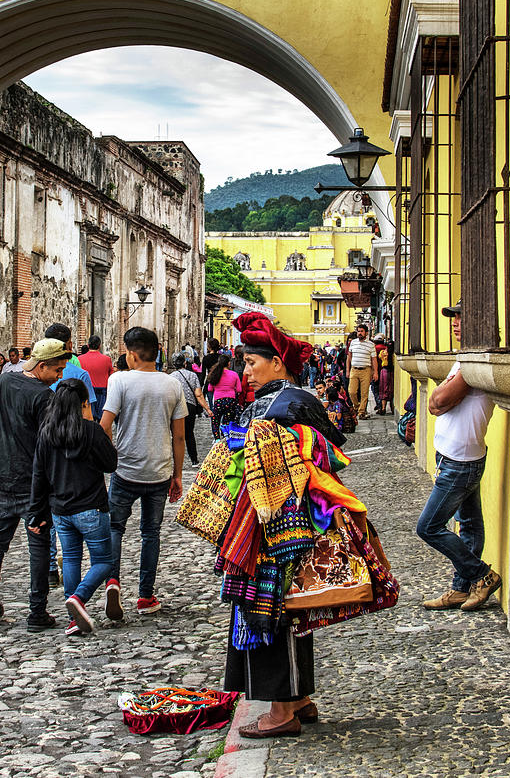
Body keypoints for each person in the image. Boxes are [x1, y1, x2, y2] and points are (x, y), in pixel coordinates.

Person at [211, 312, 346, 738]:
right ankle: (300, 698)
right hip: (290, 520)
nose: (245, 371)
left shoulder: (279, 404)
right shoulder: (295, 400)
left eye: (252, 363)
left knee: (271, 609)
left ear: (277, 362)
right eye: (244, 363)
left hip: (274, 526)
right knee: (286, 608)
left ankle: (282, 710)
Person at [0, 338, 71, 630]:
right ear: (42, 365)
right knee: (39, 546)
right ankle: (36, 612)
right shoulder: (45, 396)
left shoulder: (4, 382)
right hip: (33, 482)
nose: (60, 376)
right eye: (57, 370)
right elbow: (50, 447)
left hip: (5, 477)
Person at [417, 301, 501, 612]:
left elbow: (438, 400)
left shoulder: (473, 363)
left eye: (462, 318)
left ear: (480, 323)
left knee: (429, 527)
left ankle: (482, 575)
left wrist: (444, 394)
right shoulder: (465, 359)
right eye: (453, 317)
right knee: (469, 524)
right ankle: (460, 589)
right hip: (461, 456)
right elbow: (438, 404)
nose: (454, 323)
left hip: (460, 462)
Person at [100, 327, 187, 618]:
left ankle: (113, 581)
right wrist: (178, 475)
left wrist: (111, 456)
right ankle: (145, 596)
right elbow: (179, 437)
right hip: (159, 471)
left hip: (125, 469)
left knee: (115, 528)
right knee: (151, 533)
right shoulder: (173, 384)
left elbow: (105, 425)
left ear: (131, 354)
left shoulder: (119, 380)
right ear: (157, 351)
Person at [28, 378, 117, 636]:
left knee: (71, 558)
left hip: (61, 510)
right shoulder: (91, 431)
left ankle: (72, 618)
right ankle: (79, 597)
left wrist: (37, 512)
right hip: (91, 507)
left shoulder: (46, 433)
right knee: (104, 561)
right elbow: (110, 464)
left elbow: (39, 474)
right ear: (82, 403)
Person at [45, 323, 98, 584]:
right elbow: (89, 414)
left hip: (48, 447)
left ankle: (51, 566)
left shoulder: (36, 375)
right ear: (68, 345)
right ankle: (71, 568)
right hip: (75, 449)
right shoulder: (79, 374)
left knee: (51, 509)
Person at [171, 352, 212, 466]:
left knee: (175, 434)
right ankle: (194, 460)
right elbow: (198, 394)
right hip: (190, 407)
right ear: (185, 363)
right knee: (189, 434)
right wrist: (207, 408)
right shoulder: (192, 375)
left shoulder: (171, 377)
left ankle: (176, 460)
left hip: (176, 407)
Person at [78, 335, 113, 421]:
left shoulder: (80, 359)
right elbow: (111, 375)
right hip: (102, 392)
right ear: (99, 346)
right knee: (101, 419)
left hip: (86, 391)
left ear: (88, 345)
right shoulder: (107, 359)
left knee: (88, 418)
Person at [346, 324, 377, 419]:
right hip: (354, 369)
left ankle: (361, 412)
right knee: (352, 391)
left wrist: (375, 372)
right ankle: (357, 407)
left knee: (364, 393)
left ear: (366, 333)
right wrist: (347, 370)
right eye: (358, 331)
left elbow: (374, 359)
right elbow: (349, 357)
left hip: (366, 370)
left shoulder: (371, 345)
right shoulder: (353, 343)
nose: (359, 333)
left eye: (361, 331)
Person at [207, 354, 242, 441]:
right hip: (230, 401)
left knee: (215, 420)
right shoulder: (234, 374)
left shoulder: (215, 374)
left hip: (218, 401)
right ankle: (225, 437)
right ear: (229, 364)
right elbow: (239, 389)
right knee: (227, 421)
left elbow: (210, 388)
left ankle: (217, 439)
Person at [201, 337, 221, 408]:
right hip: (221, 381)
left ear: (209, 347)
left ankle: (213, 417)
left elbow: (203, 373)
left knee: (212, 405)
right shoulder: (221, 357)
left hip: (210, 382)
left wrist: (201, 385)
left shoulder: (206, 358)